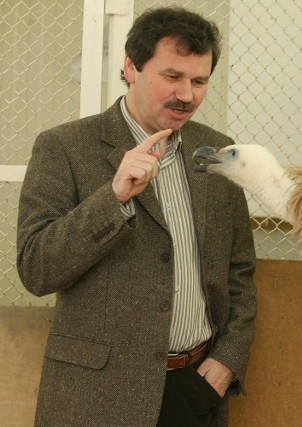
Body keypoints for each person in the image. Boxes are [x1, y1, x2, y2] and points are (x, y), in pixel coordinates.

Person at [16, 6, 257, 426]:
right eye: (172, 77)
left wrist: (226, 362)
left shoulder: (216, 152)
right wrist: (113, 197)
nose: (187, 94)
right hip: (97, 396)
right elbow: (37, 269)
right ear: (131, 66)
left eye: (199, 81)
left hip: (197, 388)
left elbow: (239, 270)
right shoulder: (65, 148)